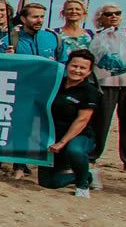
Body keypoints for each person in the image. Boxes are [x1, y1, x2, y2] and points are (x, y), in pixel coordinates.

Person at [39, 49, 103, 197]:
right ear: (67, 66)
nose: (77, 70)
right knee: (48, 182)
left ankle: (82, 185)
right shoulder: (55, 85)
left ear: (88, 72)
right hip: (53, 137)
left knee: (75, 150)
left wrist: (62, 142)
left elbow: (82, 120)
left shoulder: (89, 91)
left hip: (78, 136)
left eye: (82, 68)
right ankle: (86, 174)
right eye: (74, 66)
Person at [87, 3, 126, 170]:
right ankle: (92, 154)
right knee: (100, 120)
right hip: (106, 83)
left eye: (117, 13)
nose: (113, 16)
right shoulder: (95, 37)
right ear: (100, 17)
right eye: (108, 14)